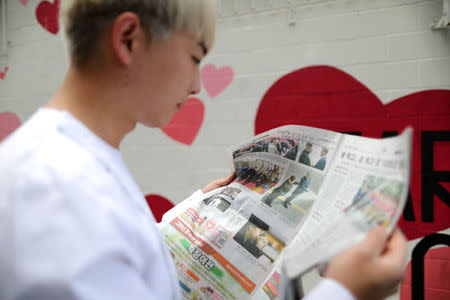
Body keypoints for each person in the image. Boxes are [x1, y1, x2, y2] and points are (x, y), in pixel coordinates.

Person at [0, 1, 407, 300]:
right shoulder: (57, 189)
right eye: (195, 56)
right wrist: (344, 291)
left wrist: (187, 222)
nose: (196, 85)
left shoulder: (71, 164)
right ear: (128, 39)